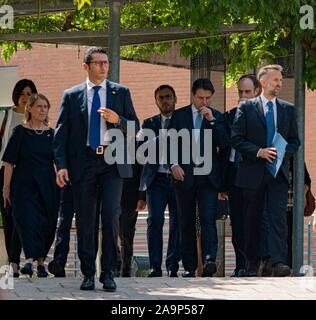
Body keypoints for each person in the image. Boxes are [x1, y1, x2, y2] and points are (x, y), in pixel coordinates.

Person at [54, 46, 139, 291]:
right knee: (86, 220)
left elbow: (136, 128)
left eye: (106, 62)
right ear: (86, 66)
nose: (103, 67)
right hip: (84, 163)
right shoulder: (71, 95)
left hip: (112, 162)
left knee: (111, 216)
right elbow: (61, 135)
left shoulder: (121, 92)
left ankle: (109, 273)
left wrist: (118, 121)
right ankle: (89, 273)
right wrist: (61, 166)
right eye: (98, 63)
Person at [231, 64, 300, 277]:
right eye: (275, 80)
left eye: (280, 80)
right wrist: (259, 152)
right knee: (252, 218)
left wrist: (282, 152)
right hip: (252, 171)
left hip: (277, 173)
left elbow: (295, 141)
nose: (279, 84)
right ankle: (252, 263)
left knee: (277, 218)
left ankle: (278, 262)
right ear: (263, 82)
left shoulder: (288, 109)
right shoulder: (247, 108)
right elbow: (236, 139)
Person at [169, 78, 229, 277]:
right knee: (185, 221)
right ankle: (189, 266)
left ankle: (210, 260)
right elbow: (169, 144)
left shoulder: (217, 117)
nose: (204, 102)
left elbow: (223, 142)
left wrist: (211, 121)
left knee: (207, 219)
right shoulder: (178, 116)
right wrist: (173, 165)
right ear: (193, 95)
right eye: (200, 97)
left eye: (208, 98)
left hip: (208, 178)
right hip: (184, 175)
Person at [2, 93, 59, 278]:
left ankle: (41, 262)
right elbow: (9, 162)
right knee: (26, 220)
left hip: (48, 185)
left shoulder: (52, 134)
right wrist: (6, 188)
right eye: (39, 106)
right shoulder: (20, 132)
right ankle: (28, 260)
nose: (43, 110)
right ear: (30, 109)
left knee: (46, 223)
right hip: (23, 185)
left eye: (45, 107)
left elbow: (59, 163)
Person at [219, 75, 261, 277]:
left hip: (254, 175)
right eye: (240, 92)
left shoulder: (263, 116)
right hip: (234, 174)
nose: (243, 96)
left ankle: (253, 265)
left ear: (257, 92)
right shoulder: (230, 116)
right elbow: (223, 147)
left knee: (253, 221)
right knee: (237, 222)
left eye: (247, 92)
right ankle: (240, 265)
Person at [138, 85, 181, 277]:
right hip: (156, 180)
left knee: (178, 223)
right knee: (154, 220)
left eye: (169, 97)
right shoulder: (148, 123)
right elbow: (144, 151)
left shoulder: (183, 121)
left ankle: (173, 266)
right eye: (161, 98)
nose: (165, 100)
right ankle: (155, 265)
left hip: (178, 180)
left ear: (175, 99)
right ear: (156, 101)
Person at [0, 79, 38, 278]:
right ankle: (12, 260)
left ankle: (20, 259)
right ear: (16, 95)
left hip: (27, 176)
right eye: (22, 93)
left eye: (30, 93)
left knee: (23, 218)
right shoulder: (6, 115)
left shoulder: (37, 119)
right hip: (4, 173)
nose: (26, 97)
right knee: (8, 218)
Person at [117, 163, 146, 277]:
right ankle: (115, 264)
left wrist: (142, 197)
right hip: (110, 191)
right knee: (110, 231)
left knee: (127, 235)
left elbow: (142, 170)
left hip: (131, 195)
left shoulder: (135, 147)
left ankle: (126, 268)